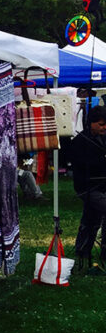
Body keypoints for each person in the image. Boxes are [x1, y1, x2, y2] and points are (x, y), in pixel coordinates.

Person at [69, 105, 106, 274]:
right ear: (90, 123)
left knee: (92, 219)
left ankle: (83, 250)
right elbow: (82, 166)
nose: (104, 127)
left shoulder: (103, 138)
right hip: (87, 187)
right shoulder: (80, 141)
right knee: (94, 216)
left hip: (100, 186)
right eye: (101, 124)